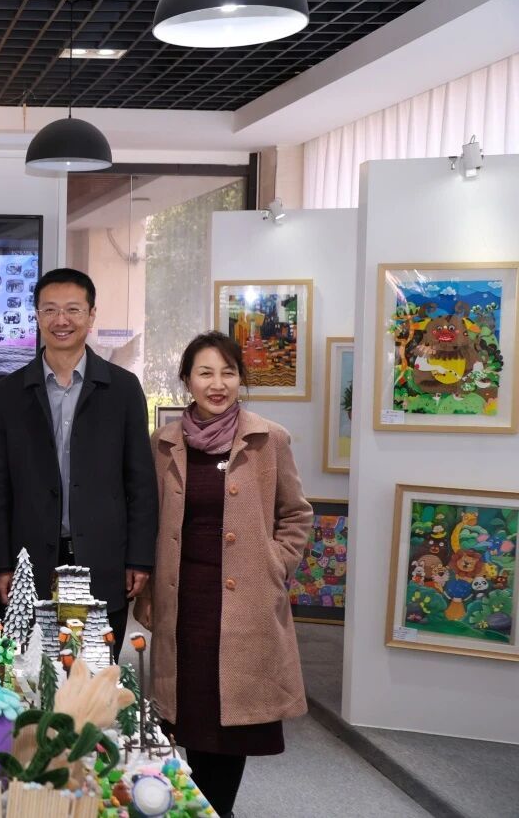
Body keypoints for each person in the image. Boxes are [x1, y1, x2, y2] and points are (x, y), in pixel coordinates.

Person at [133, 331, 312, 818]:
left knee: (232, 719)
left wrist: (275, 564)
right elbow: (148, 518)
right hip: (184, 600)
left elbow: (296, 514)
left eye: (228, 373)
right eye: (205, 373)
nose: (218, 384)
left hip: (245, 601)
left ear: (240, 379)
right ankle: (199, 806)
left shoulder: (269, 439)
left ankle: (218, 809)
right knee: (188, 713)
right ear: (187, 380)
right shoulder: (163, 444)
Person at [0, 267, 157, 656]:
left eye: (73, 310)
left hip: (102, 558)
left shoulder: (122, 389)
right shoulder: (8, 392)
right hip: (30, 561)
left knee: (94, 672)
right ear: (37, 316)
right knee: (32, 672)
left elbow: (141, 484)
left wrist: (140, 558)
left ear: (91, 315)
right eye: (50, 310)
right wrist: (1, 565)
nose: (61, 320)